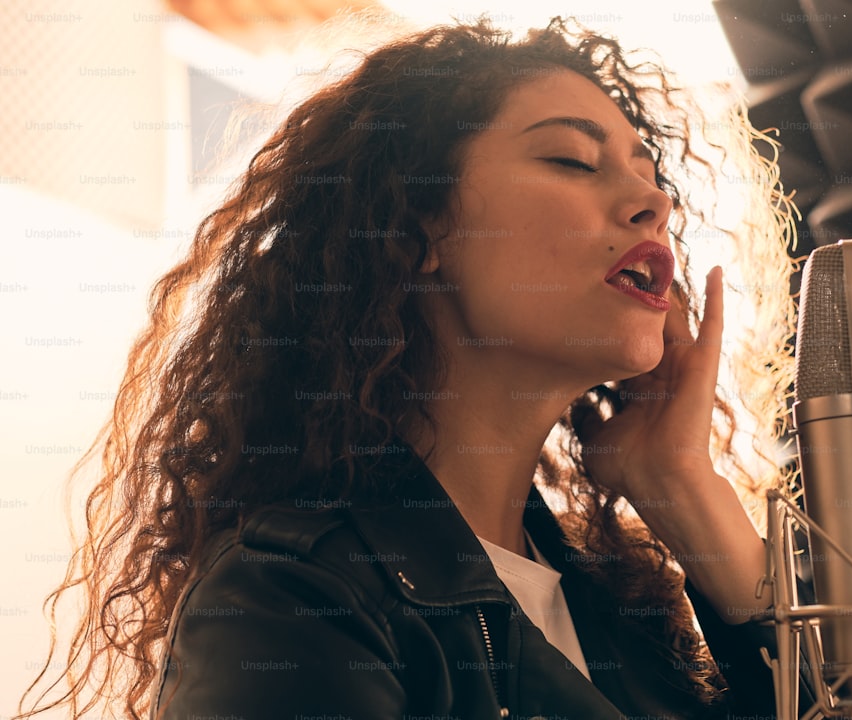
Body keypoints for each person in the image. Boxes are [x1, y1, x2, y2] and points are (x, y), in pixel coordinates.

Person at [19, 15, 801, 720]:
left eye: (648, 175)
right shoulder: (296, 600)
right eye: (571, 160)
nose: (650, 203)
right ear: (416, 227)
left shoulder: (622, 619)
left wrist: (684, 486)